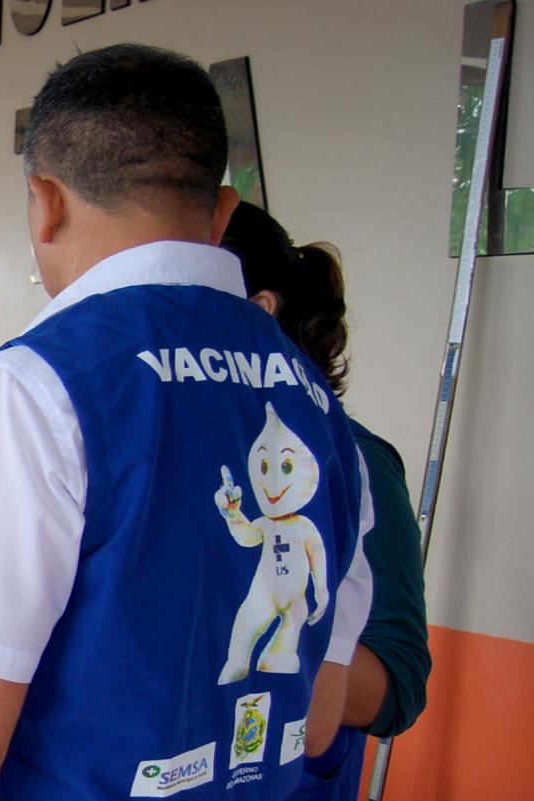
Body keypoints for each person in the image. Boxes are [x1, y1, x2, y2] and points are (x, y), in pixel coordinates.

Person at [0, 44, 374, 801]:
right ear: (222, 213)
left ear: (45, 201)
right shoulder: (323, 415)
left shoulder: (41, 385)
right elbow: (321, 718)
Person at [221, 201, 431, 801]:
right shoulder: (199, 452)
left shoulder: (355, 462)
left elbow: (398, 684)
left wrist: (306, 643)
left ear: (259, 310)